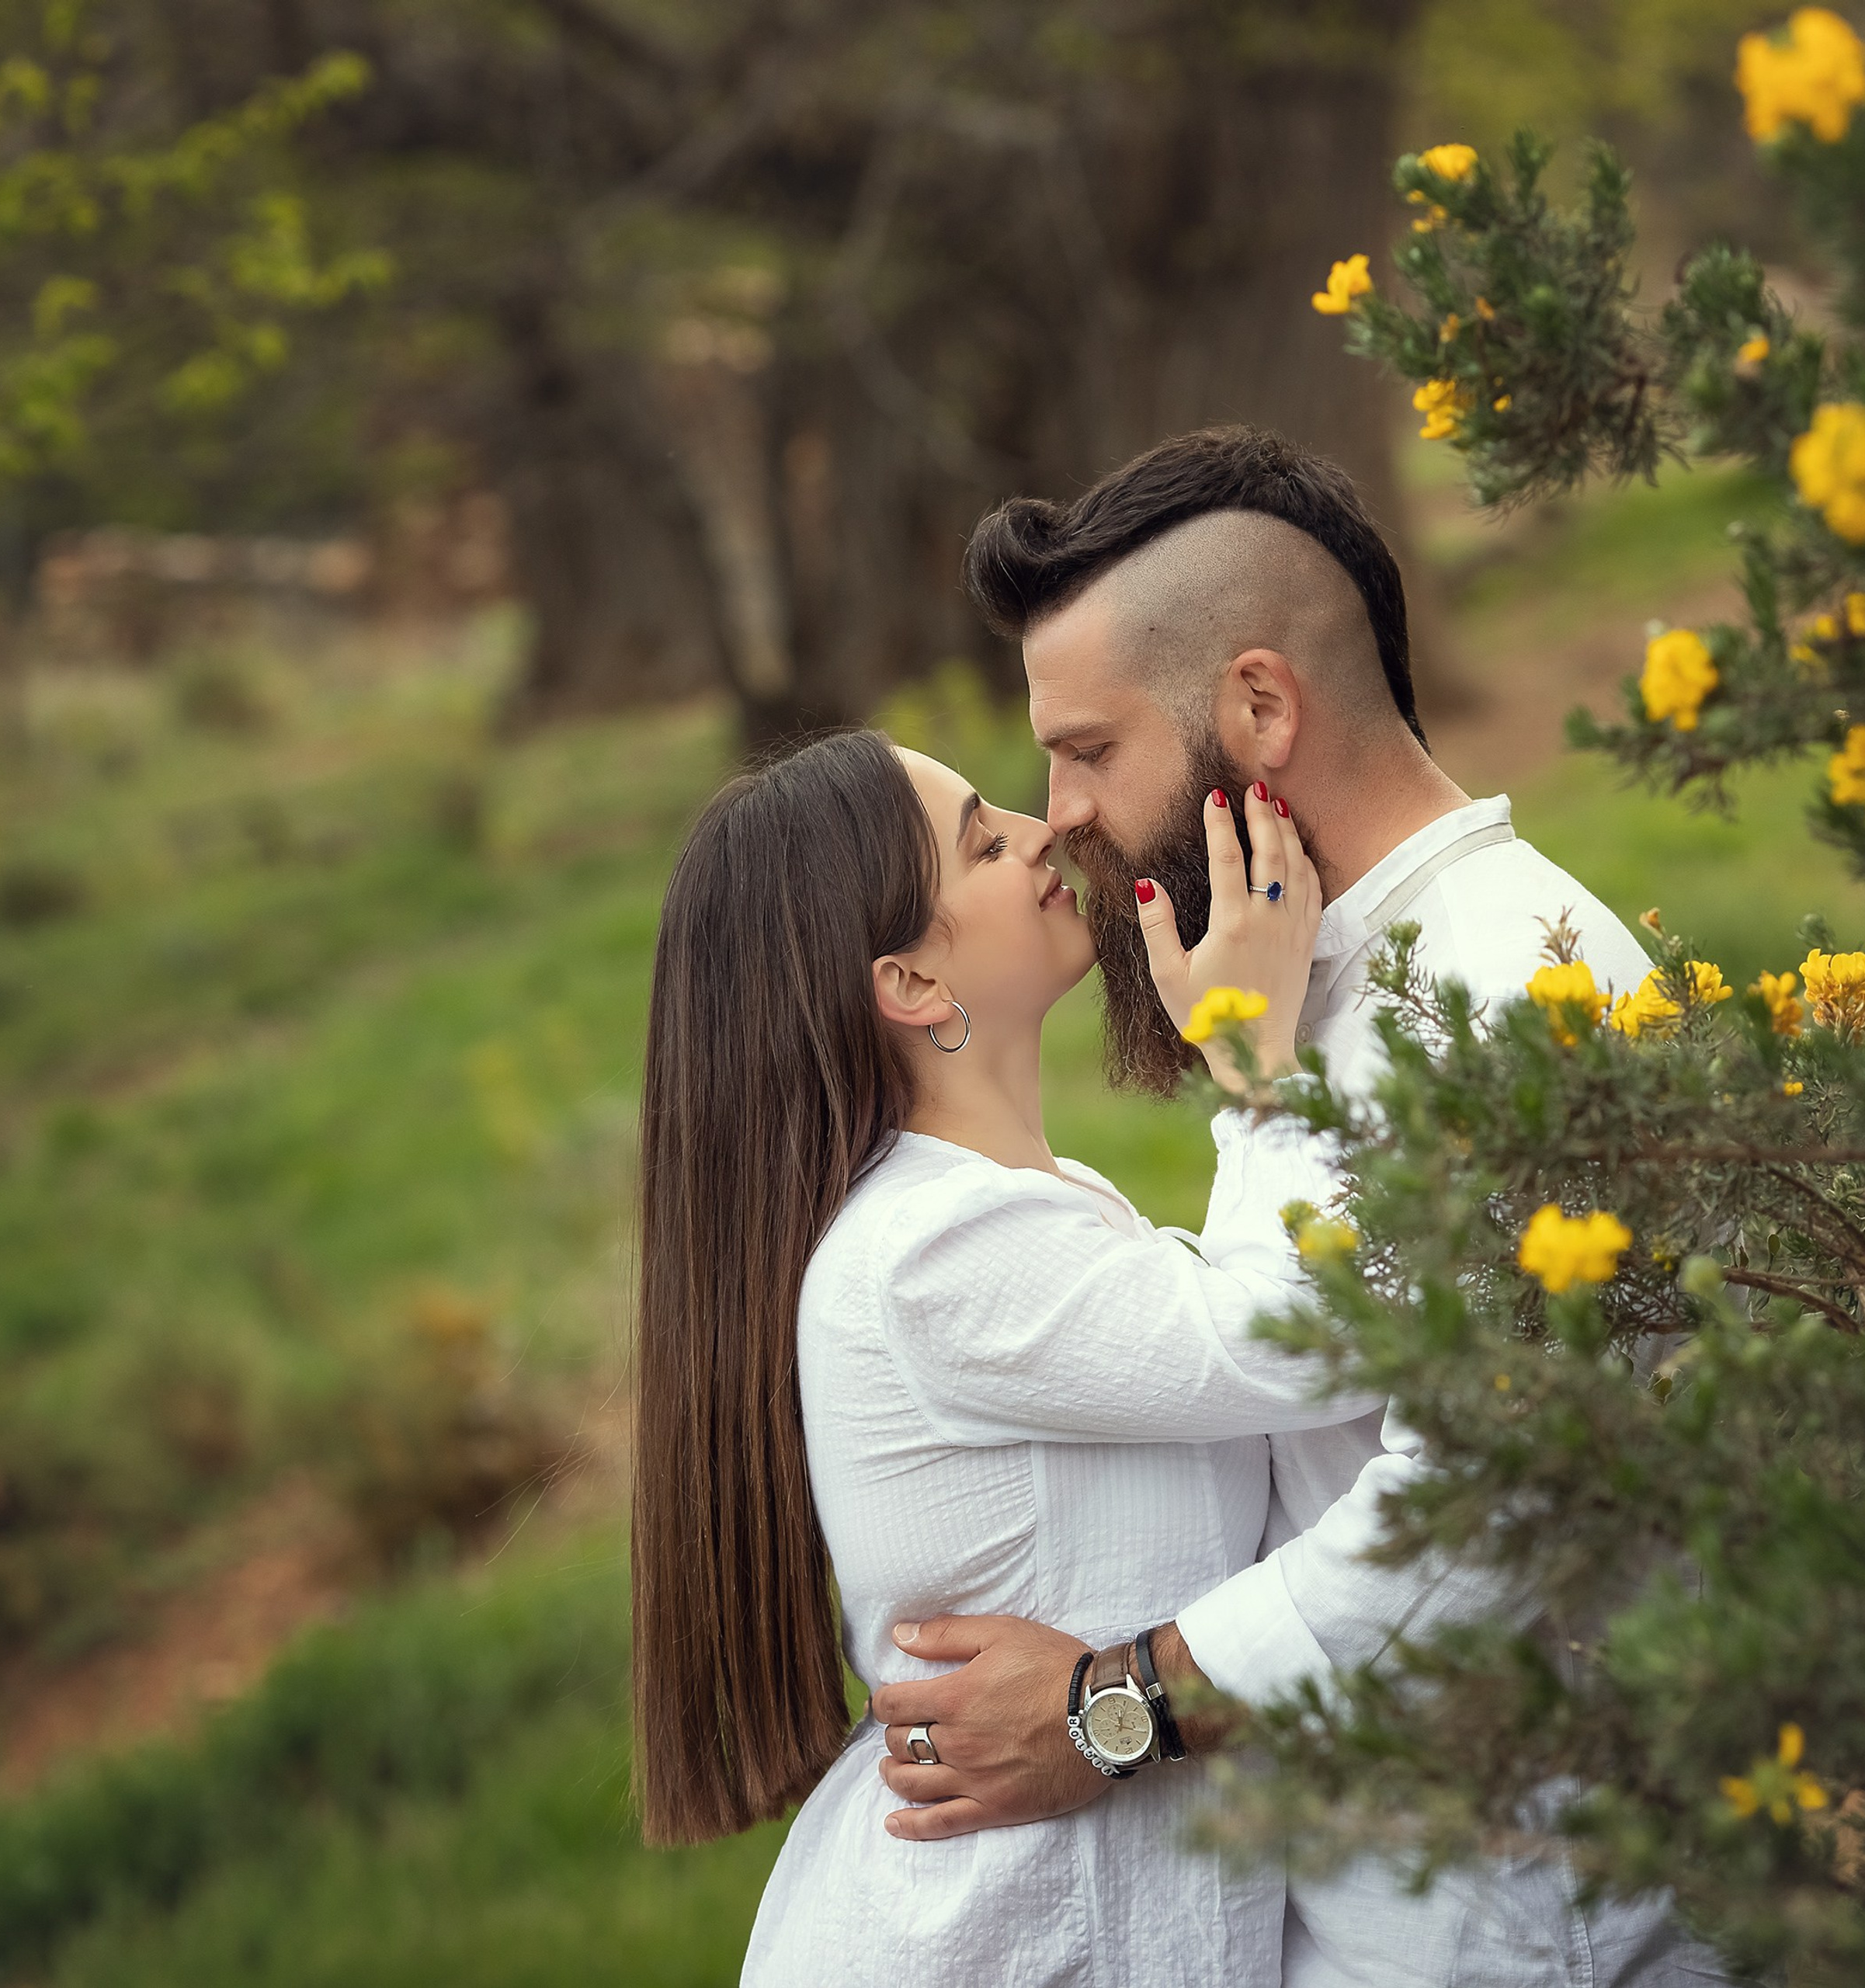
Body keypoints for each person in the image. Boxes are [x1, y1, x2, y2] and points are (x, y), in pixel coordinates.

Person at [869, 426, 1731, 1985]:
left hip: (1524, 1926)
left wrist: (1110, 1710)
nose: (1057, 811)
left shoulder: (1501, 989)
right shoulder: (1312, 969)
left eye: (1088, 748)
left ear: (1257, 706)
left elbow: (1481, 1508)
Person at [631, 724, 1381, 1986]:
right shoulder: (938, 1250)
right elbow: (1309, 1334)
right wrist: (1254, 1063)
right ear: (913, 985)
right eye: (984, 841)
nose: (1045, 833)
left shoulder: (1030, 1207)